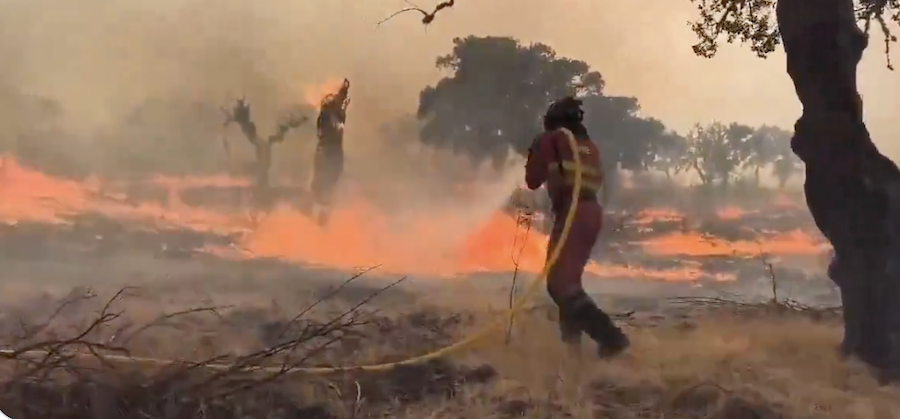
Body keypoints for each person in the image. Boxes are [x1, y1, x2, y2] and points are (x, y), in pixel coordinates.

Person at [524, 96, 630, 357]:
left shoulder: (550, 140)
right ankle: (572, 350)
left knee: (559, 284)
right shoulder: (588, 146)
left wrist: (534, 151)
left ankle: (611, 338)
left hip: (573, 214)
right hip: (590, 213)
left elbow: (532, 181)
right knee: (568, 282)